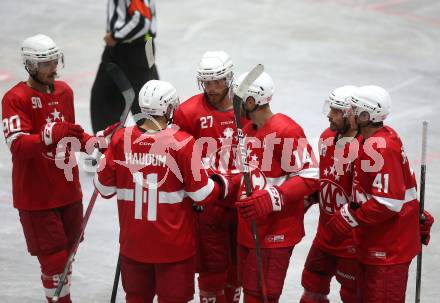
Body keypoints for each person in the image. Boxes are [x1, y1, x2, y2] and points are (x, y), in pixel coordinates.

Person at [94, 79, 238, 303]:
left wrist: (105, 153)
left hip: (133, 246)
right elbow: (202, 194)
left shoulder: (121, 139)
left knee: (136, 298)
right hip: (174, 250)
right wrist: (224, 182)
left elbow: (103, 188)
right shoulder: (182, 142)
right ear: (170, 109)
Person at [322, 85, 434, 302]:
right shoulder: (371, 140)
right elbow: (402, 186)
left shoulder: (382, 147)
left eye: (353, 110)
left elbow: (388, 202)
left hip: (389, 248)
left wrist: (350, 216)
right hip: (375, 241)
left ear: (366, 115)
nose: (348, 114)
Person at [234, 71, 319, 303]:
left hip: (276, 232)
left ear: (251, 101)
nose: (233, 105)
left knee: (262, 296)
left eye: (237, 100)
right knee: (251, 292)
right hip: (251, 228)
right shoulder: (248, 130)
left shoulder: (286, 129)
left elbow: (311, 174)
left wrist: (273, 197)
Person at [173, 51, 245, 303]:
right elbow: (175, 153)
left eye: (218, 81)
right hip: (208, 202)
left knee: (237, 267)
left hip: (241, 200)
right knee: (211, 268)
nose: (212, 88)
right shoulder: (187, 112)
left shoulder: (246, 106)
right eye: (207, 82)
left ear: (229, 79)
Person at [300, 86, 360, 303]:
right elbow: (327, 177)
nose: (329, 114)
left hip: (352, 241)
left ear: (351, 115)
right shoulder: (327, 137)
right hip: (325, 235)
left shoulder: (366, 149)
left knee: (352, 295)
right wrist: (311, 196)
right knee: (311, 287)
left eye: (336, 111)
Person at [90, 0, 159, 133]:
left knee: (146, 102)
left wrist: (116, 36)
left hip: (130, 48)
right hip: (141, 46)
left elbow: (141, 22)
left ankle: (151, 148)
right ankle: (111, 148)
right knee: (147, 101)